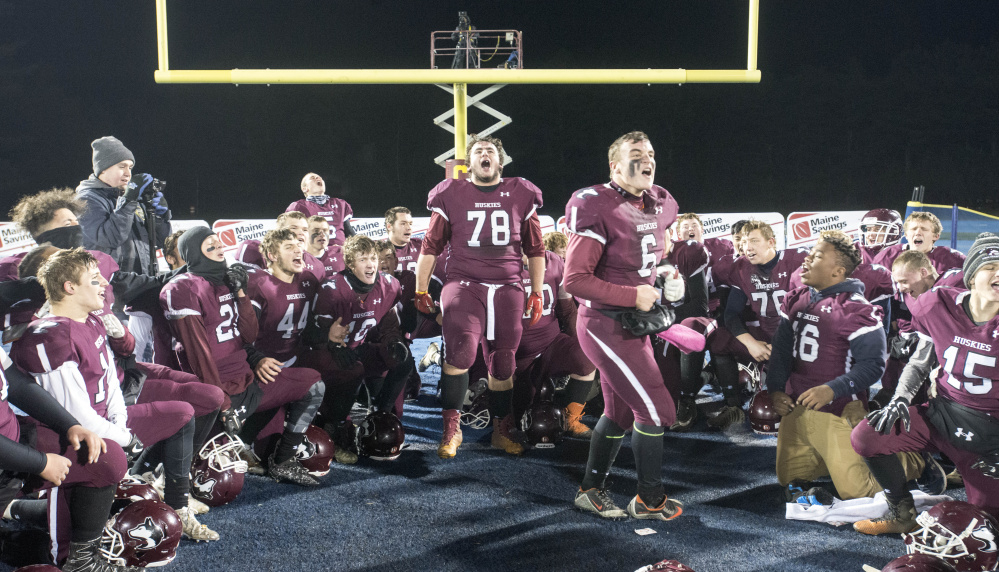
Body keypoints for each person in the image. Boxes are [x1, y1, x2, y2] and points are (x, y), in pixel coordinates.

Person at [10, 248, 217, 549]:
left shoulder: (91, 320)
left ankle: (174, 502)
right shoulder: (50, 335)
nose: (104, 286)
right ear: (70, 287)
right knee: (111, 461)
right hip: (62, 435)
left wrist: (122, 426)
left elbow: (110, 381)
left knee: (183, 413)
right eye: (94, 280)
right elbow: (75, 418)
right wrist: (126, 439)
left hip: (102, 421)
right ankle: (72, 551)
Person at [563, 131, 685, 521]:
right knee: (657, 410)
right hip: (604, 323)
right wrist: (635, 295)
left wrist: (668, 273)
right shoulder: (595, 203)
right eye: (636, 154)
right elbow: (574, 280)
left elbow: (649, 259)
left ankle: (590, 490)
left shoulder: (661, 203)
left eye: (650, 153)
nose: (647, 160)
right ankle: (650, 500)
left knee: (619, 412)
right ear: (615, 166)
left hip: (634, 323)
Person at [852, 232, 999, 534]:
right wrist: (900, 398)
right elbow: (921, 360)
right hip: (944, 413)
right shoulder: (937, 304)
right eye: (992, 265)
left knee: (985, 529)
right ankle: (901, 511)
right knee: (868, 436)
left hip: (990, 435)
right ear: (971, 276)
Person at [766, 230, 924, 502]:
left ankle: (912, 461)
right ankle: (833, 459)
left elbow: (874, 366)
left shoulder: (856, 310)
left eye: (816, 256)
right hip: (797, 405)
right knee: (790, 477)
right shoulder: (796, 298)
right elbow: (780, 351)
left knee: (856, 491)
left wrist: (832, 389)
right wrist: (776, 389)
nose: (805, 260)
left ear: (837, 271)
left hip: (838, 408)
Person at [414, 134, 545, 459]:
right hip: (465, 284)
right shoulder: (450, 193)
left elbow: (535, 248)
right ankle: (451, 428)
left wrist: (538, 290)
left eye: (490, 151)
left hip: (507, 286)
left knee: (503, 361)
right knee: (460, 353)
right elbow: (430, 246)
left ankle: (502, 429)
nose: (484, 155)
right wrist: (420, 287)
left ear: (500, 161)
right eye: (478, 151)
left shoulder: (521, 192)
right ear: (468, 163)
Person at [160, 227, 319, 486]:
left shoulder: (228, 280)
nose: (220, 248)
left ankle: (282, 461)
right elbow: (198, 354)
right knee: (207, 473)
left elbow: (249, 333)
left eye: (219, 243)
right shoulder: (183, 287)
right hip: (214, 389)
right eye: (210, 247)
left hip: (246, 381)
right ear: (193, 254)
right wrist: (220, 403)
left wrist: (241, 293)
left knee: (313, 383)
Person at [0, 346, 129, 572]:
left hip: (13, 443)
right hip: (8, 458)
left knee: (105, 459)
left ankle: (82, 563)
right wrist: (40, 463)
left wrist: (70, 424)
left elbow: (17, 384)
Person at [303, 235, 410, 459]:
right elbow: (313, 334)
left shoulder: (389, 285)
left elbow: (389, 322)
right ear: (350, 264)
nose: (371, 264)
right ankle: (335, 427)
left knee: (403, 359)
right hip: (325, 352)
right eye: (363, 259)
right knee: (352, 370)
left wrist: (393, 341)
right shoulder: (332, 289)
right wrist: (333, 346)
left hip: (359, 346)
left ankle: (381, 414)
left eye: (373, 258)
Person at [237, 228, 326, 483]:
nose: (299, 249)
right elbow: (236, 338)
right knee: (314, 386)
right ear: (271, 255)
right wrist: (256, 359)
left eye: (300, 243)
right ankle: (281, 458)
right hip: (258, 373)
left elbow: (308, 328)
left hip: (290, 364)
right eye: (289, 246)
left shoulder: (308, 280)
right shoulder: (258, 285)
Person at [711, 220, 809, 430]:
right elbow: (731, 314)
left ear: (771, 242)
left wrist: (784, 346)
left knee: (792, 402)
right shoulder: (740, 268)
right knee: (719, 340)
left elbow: (811, 309)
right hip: (765, 333)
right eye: (745, 242)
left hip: (799, 337)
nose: (748, 247)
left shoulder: (797, 259)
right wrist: (751, 344)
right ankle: (733, 406)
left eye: (754, 241)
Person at [513, 249, 596, 439]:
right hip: (516, 351)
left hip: (550, 343)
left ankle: (571, 418)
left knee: (587, 356)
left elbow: (567, 310)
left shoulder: (556, 262)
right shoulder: (498, 264)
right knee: (519, 417)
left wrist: (578, 344)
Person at [76, 136, 171, 277]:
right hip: (113, 286)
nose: (128, 173)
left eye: (130, 167)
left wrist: (159, 216)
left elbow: (161, 241)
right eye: (121, 167)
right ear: (102, 169)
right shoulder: (87, 199)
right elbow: (109, 238)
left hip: (143, 280)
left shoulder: (130, 197)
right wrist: (128, 200)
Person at [873, 212, 965, 274]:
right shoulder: (887, 256)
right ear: (906, 235)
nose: (918, 232)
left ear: (936, 236)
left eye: (924, 229)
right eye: (913, 229)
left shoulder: (953, 259)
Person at [286, 173, 354, 248]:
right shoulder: (298, 206)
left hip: (339, 252)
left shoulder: (340, 204)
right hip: (313, 252)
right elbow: (289, 233)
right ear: (305, 188)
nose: (318, 178)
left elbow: (349, 232)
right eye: (313, 178)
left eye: (319, 178)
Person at [384, 207, 422, 274]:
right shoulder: (378, 251)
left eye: (410, 224)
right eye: (403, 224)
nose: (409, 228)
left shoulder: (420, 246)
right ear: (389, 226)